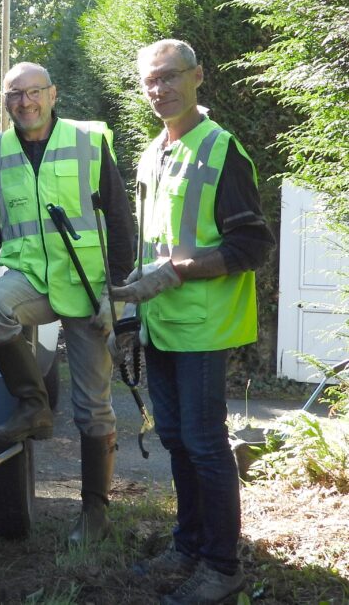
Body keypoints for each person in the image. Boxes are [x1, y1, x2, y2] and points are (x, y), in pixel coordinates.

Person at [115, 39, 274, 605]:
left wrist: (178, 271)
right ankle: (188, 544)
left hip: (205, 327)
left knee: (205, 444)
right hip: (161, 323)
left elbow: (253, 244)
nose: (161, 89)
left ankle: (221, 565)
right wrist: (134, 299)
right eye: (151, 81)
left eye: (170, 77)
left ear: (198, 76)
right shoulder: (152, 153)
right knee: (178, 439)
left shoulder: (221, 150)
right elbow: (151, 246)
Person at [0, 61, 134, 545]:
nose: (24, 103)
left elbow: (120, 221)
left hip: (88, 285)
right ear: (5, 101)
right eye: (14, 95)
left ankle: (94, 514)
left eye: (33, 92)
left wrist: (115, 292)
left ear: (53, 94)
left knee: (93, 406)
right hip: (32, 278)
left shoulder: (87, 141)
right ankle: (34, 405)